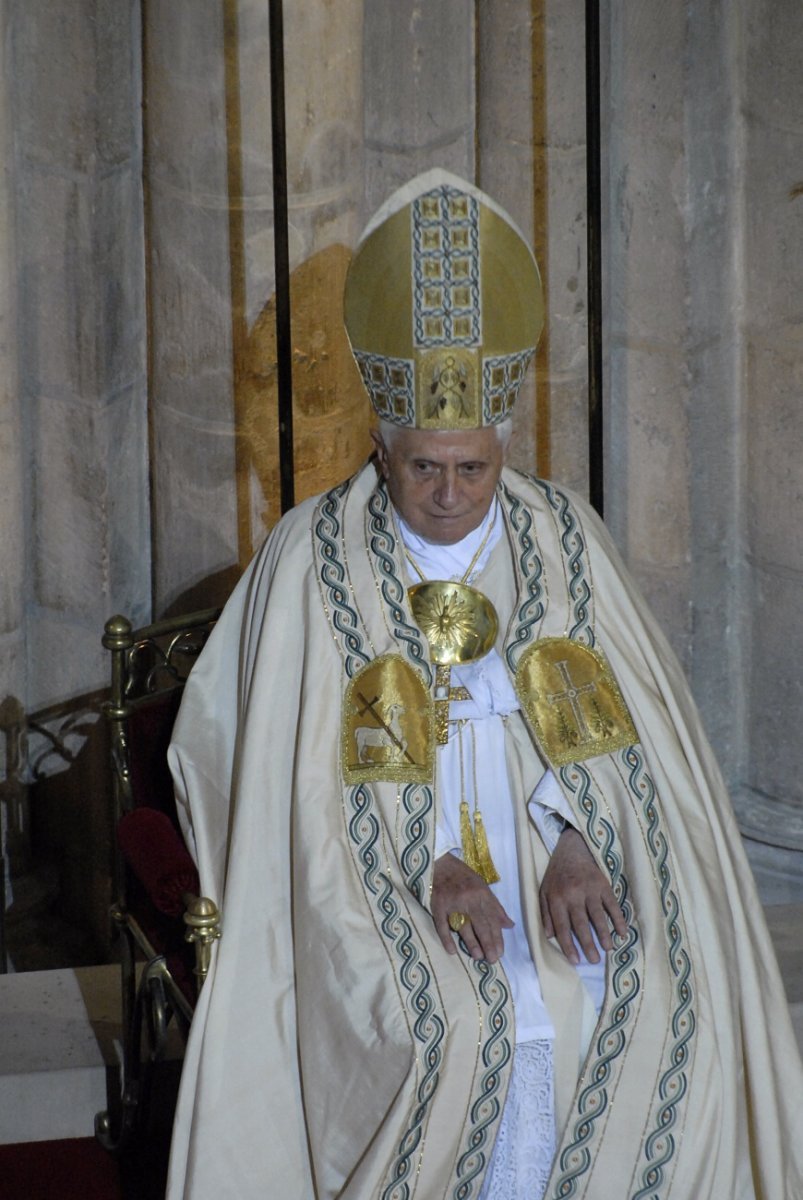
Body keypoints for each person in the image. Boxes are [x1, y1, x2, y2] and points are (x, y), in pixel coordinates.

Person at [166, 171, 803, 1200]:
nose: (451, 495)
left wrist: (573, 837)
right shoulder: (309, 553)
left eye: (470, 468)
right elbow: (272, 761)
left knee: (634, 989)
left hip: (541, 833)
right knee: (460, 1023)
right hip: (366, 865)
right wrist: (428, 864)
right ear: (379, 443)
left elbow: (625, 737)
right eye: (423, 469)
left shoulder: (560, 533)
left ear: (504, 440)